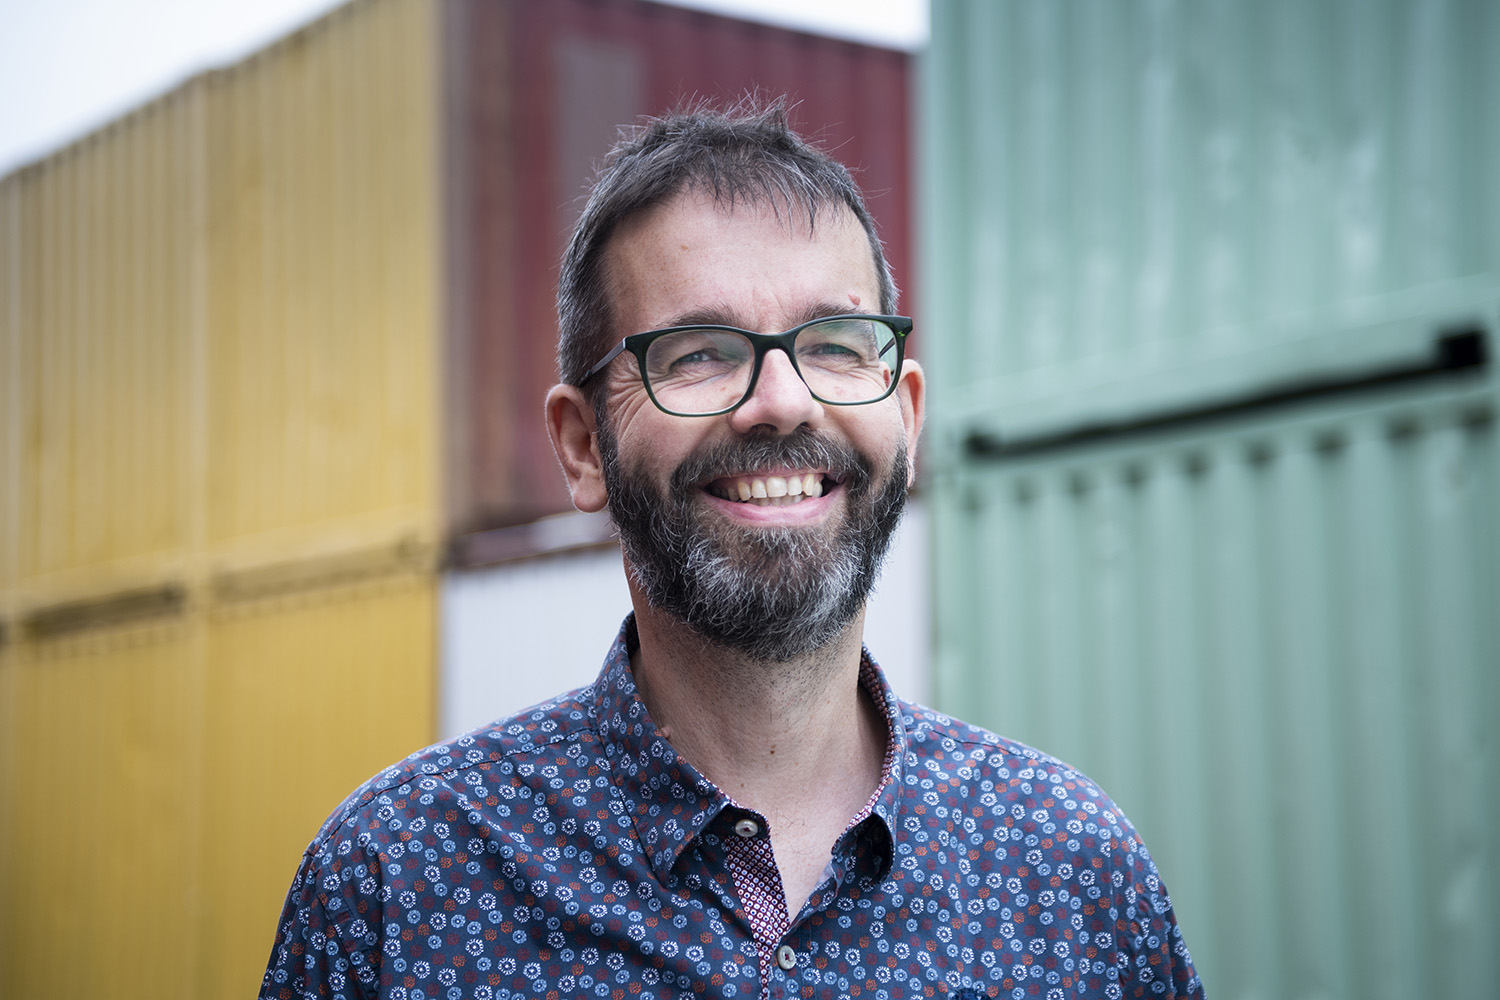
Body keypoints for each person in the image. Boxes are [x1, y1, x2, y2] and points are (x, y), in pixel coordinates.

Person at [260, 100, 1203, 1000]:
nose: (785, 401)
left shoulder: (1072, 874)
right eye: (699, 352)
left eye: (836, 343)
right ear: (584, 446)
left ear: (907, 419)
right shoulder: (396, 885)